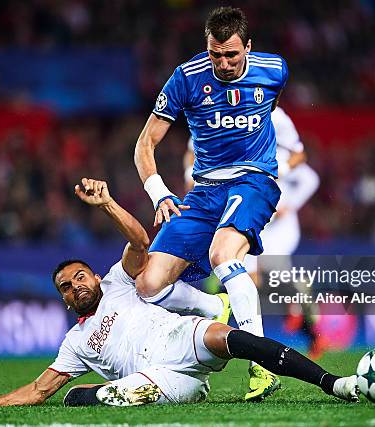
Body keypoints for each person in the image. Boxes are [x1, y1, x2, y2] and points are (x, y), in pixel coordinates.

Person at [0, 178, 358, 408]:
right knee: (78, 399)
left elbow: (139, 241)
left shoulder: (117, 281)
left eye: (79, 277)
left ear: (94, 277)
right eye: (66, 287)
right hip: (157, 377)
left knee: (234, 338)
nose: (76, 286)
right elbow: (38, 390)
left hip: (180, 338)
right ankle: (163, 389)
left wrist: (108, 204)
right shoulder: (75, 343)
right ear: (64, 300)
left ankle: (331, 383)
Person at [133, 6, 287, 400]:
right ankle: (211, 305)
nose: (223, 63)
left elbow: (265, 113)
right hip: (203, 191)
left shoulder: (274, 70)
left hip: (254, 181)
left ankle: (263, 365)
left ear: (248, 47)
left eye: (232, 54)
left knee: (223, 255)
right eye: (215, 54)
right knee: (148, 283)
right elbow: (145, 144)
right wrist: (160, 192)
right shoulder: (186, 78)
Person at [184, 107, 325, 358]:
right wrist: (191, 178)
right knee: (249, 277)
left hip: (279, 227)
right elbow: (192, 151)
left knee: (270, 272)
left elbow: (305, 168)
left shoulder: (276, 132)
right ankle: (279, 323)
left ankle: (306, 323)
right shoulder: (216, 119)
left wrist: (289, 203)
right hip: (250, 220)